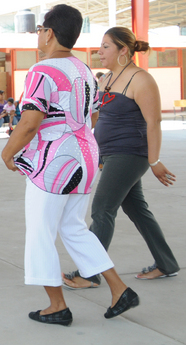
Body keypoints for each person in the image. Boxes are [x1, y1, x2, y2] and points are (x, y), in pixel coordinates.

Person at [1, 4, 138, 326]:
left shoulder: (42, 70)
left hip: (53, 163)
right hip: (84, 156)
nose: (38, 35)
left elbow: (30, 121)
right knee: (73, 227)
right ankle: (119, 290)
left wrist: (8, 152)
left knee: (41, 232)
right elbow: (93, 115)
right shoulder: (84, 70)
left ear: (49, 33)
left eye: (40, 30)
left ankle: (57, 305)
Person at [62, 26, 179, 289]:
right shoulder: (106, 79)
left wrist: (154, 161)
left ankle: (90, 273)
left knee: (102, 208)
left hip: (130, 153)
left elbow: (154, 122)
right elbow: (97, 117)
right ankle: (166, 263)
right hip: (110, 153)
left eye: (106, 46)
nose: (100, 52)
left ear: (123, 50)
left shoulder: (141, 79)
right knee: (136, 209)